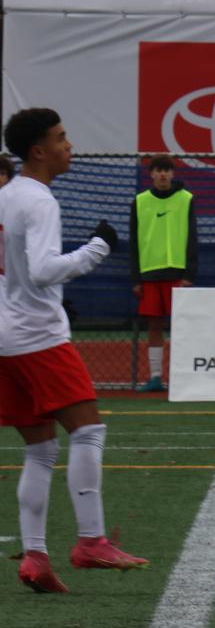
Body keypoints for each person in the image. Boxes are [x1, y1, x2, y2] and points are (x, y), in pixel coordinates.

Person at [0, 107, 148, 593]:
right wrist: (98, 248)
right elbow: (43, 270)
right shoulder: (39, 201)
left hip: (5, 336)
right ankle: (90, 541)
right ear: (38, 150)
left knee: (41, 449)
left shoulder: (6, 195)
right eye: (61, 138)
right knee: (89, 432)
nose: (70, 145)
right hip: (38, 334)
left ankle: (36, 557)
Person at [130, 153, 197, 394]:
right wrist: (136, 277)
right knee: (154, 328)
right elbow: (135, 242)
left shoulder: (186, 199)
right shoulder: (140, 201)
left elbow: (192, 239)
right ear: (151, 174)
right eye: (158, 170)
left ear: (173, 173)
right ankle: (156, 377)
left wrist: (189, 274)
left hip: (177, 274)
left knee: (182, 327)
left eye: (166, 170)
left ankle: (183, 376)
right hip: (149, 274)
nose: (162, 174)